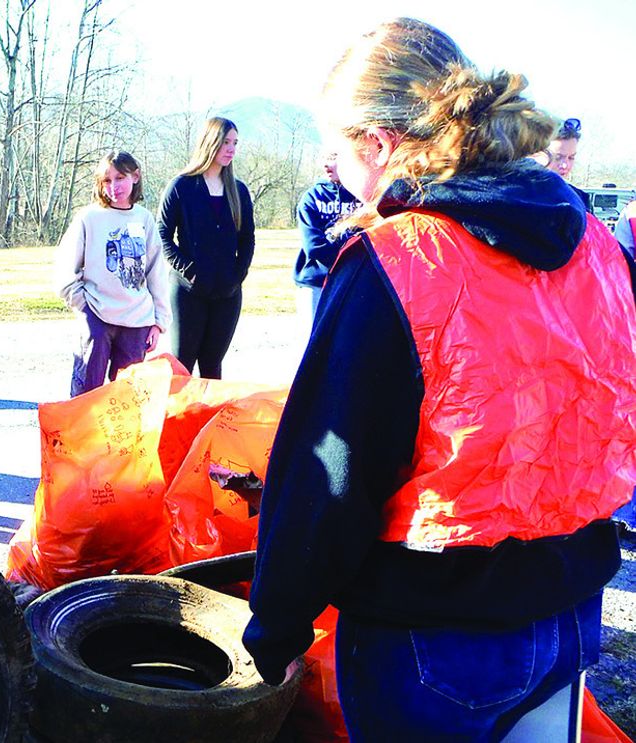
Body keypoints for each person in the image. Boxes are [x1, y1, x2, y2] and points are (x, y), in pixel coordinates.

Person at [244, 17, 636, 741]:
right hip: (573, 612)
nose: (334, 169)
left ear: (381, 145)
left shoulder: (400, 262)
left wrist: (276, 624)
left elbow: (330, 468)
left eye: (338, 150)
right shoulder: (595, 242)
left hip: (437, 641)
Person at [56, 150, 171, 397]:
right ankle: (83, 436)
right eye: (106, 180)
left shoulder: (144, 219)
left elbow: (156, 273)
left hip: (137, 320)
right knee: (87, 392)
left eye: (120, 178)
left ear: (135, 176)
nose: (114, 186)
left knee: (127, 397)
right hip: (97, 315)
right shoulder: (89, 218)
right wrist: (83, 306)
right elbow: (65, 270)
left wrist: (158, 322)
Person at [158, 117, 255, 379]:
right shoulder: (181, 186)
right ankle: (178, 419)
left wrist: (237, 276)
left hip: (227, 294)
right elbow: (163, 235)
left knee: (213, 367)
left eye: (235, 143)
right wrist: (188, 271)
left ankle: (208, 421)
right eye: (225, 142)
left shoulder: (239, 191)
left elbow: (247, 238)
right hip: (188, 292)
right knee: (183, 367)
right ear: (210, 141)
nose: (231, 148)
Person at [292, 152, 361, 328]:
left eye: (333, 158)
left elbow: (367, 240)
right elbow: (314, 247)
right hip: (314, 281)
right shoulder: (312, 197)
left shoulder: (361, 198)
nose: (326, 165)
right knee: (311, 342)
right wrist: (347, 241)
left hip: (350, 282)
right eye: (324, 158)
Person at [544, 116, 592, 209]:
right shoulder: (516, 196)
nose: (565, 165)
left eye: (571, 157)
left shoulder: (580, 199)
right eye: (558, 157)